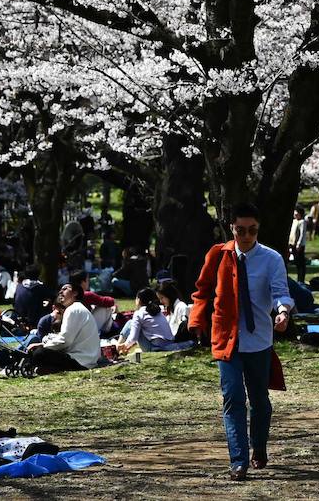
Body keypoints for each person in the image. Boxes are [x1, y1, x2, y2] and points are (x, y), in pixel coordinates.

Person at [188, 202, 294, 481]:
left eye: (252, 230)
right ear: (231, 228)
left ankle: (258, 446)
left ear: (258, 229)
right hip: (226, 340)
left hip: (258, 339)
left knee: (259, 400)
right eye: (240, 230)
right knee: (233, 398)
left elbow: (280, 291)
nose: (246, 235)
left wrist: (282, 312)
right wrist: (197, 321)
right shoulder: (218, 255)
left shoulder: (271, 259)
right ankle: (239, 461)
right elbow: (202, 291)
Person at [25, 282, 101, 372]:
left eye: (65, 289)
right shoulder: (77, 309)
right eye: (60, 290)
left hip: (80, 361)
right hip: (87, 360)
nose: (61, 292)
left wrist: (43, 346)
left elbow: (65, 341)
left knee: (39, 353)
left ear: (75, 293)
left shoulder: (73, 309)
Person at [118, 288, 194, 353]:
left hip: (154, 347)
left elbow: (133, 338)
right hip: (169, 343)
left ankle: (117, 347)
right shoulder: (158, 311)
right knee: (133, 325)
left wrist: (125, 345)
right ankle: (121, 347)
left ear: (139, 300)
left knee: (130, 323)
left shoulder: (139, 313)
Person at [287, 207, 308, 282]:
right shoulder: (294, 221)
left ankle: (301, 279)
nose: (295, 214)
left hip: (299, 245)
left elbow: (302, 234)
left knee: (300, 262)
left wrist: (299, 244)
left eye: (296, 212)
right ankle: (299, 279)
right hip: (292, 243)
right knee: (296, 261)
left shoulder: (302, 222)